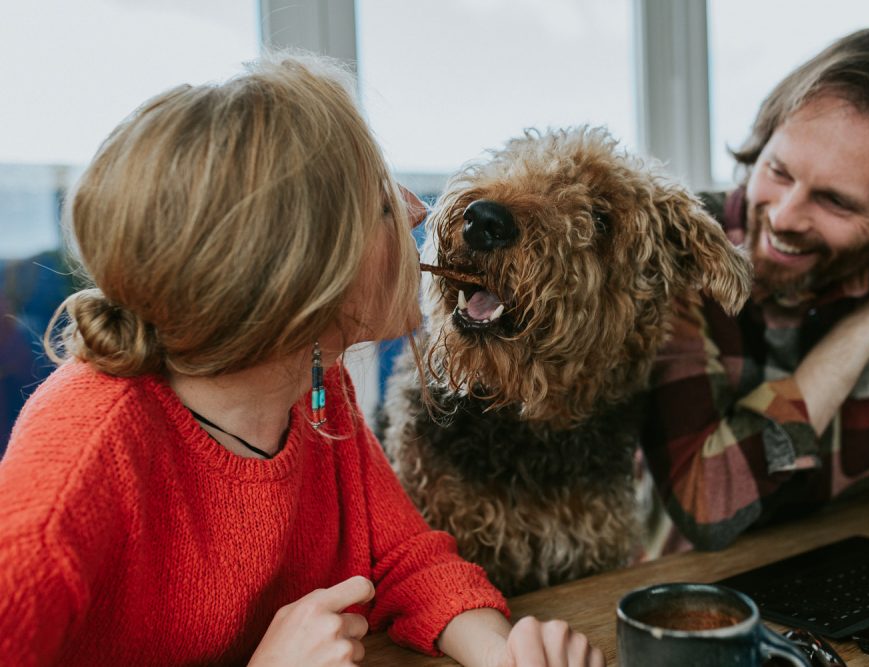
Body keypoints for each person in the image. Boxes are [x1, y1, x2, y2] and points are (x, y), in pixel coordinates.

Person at [0, 52, 604, 667]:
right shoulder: (71, 478)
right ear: (299, 274)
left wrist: (506, 654)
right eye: (379, 203)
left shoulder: (314, 382)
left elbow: (403, 559)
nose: (417, 211)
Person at [641, 27, 869, 552]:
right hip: (695, 595)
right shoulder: (681, 253)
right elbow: (707, 501)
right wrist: (862, 333)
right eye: (779, 171)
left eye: (835, 201)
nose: (784, 217)